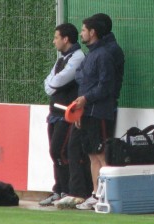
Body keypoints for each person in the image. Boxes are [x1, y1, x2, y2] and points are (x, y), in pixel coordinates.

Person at [76, 13, 125, 210]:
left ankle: (106, 194)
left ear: (92, 32)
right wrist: (80, 108)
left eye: (83, 30)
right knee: (91, 155)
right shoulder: (91, 54)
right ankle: (96, 193)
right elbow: (83, 79)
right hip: (87, 112)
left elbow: (105, 86)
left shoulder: (104, 55)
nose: (81, 33)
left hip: (100, 113)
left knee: (102, 154)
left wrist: (86, 99)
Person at [39, 23, 85, 206]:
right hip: (55, 113)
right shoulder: (61, 59)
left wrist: (53, 84)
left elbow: (58, 81)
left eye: (56, 37)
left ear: (66, 39)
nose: (54, 41)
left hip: (68, 114)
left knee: (60, 151)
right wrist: (52, 84)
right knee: (55, 152)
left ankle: (66, 190)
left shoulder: (78, 57)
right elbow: (48, 84)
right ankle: (58, 190)